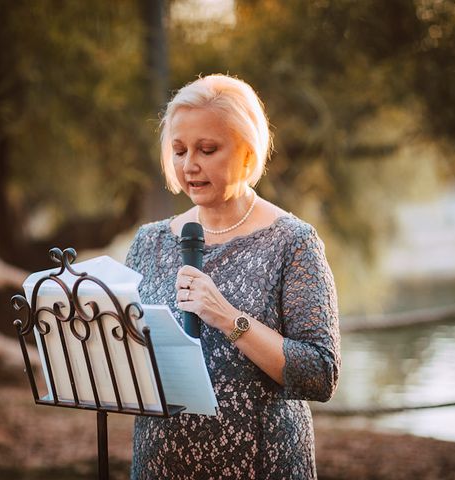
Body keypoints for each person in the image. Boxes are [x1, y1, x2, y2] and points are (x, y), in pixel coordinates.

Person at [125, 74, 340, 479]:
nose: (190, 165)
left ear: (246, 152)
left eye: (207, 149)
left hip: (260, 463)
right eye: (179, 150)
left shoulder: (292, 242)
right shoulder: (148, 242)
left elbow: (320, 374)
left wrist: (228, 318)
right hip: (161, 463)